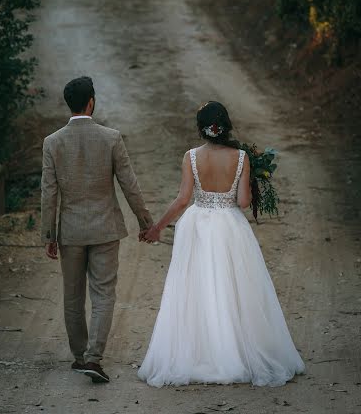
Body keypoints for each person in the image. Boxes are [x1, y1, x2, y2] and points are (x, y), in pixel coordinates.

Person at [138, 101, 305, 387]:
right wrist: (250, 183)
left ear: (201, 128)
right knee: (234, 286)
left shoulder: (191, 156)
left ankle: (203, 351)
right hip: (229, 225)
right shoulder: (241, 157)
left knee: (197, 286)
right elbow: (242, 202)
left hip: (198, 224)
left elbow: (182, 200)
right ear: (225, 125)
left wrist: (157, 228)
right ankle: (236, 350)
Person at [41, 76, 153, 383]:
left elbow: (49, 193)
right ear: (91, 101)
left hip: (71, 232)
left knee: (73, 295)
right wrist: (146, 223)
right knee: (104, 294)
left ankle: (80, 357)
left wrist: (49, 235)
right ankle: (94, 357)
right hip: (105, 229)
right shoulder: (111, 137)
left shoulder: (52, 142)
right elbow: (130, 184)